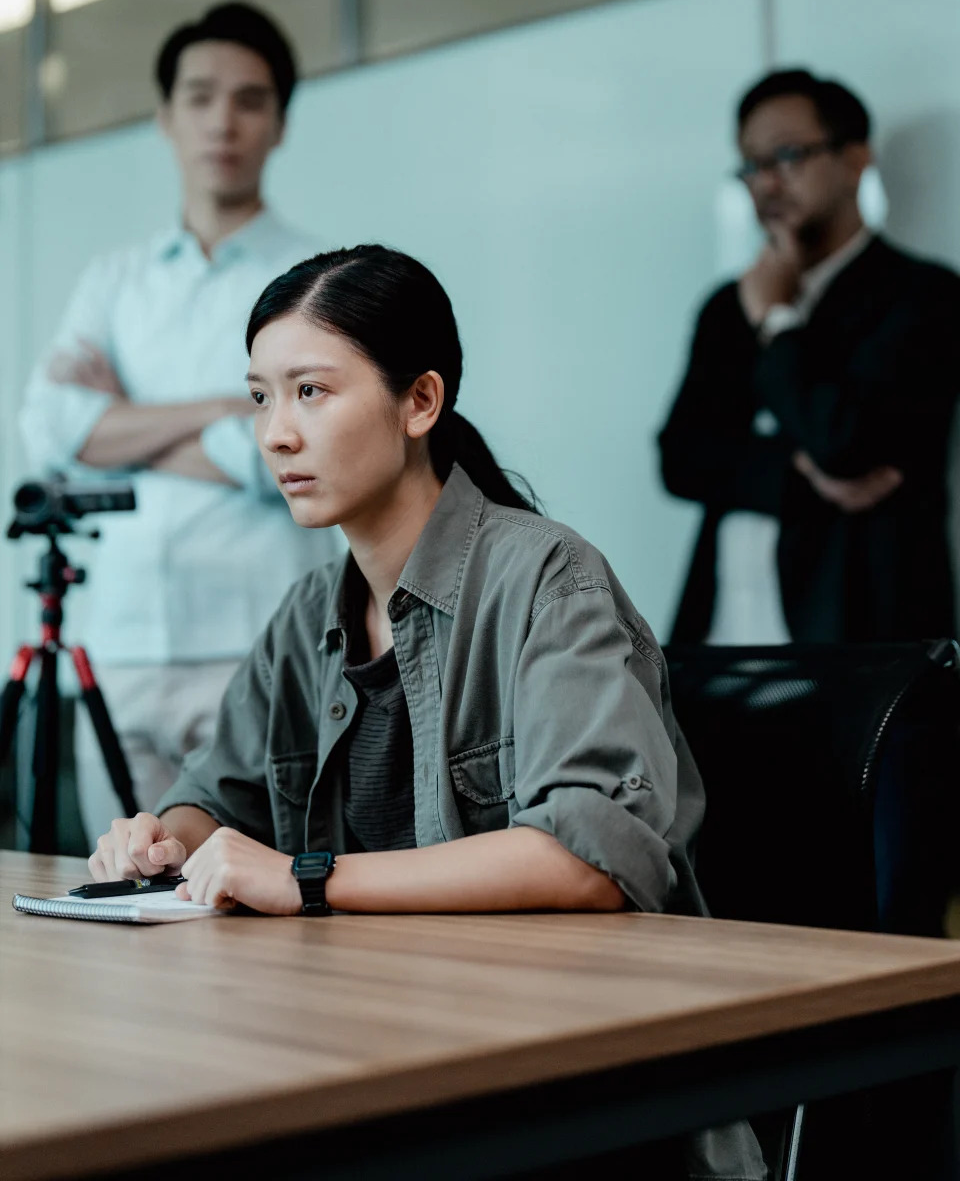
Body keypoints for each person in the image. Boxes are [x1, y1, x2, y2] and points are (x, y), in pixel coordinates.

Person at [89, 244, 765, 1181]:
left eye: (311, 392)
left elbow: (590, 855)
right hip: (376, 1054)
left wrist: (309, 877)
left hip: (570, 1094)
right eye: (259, 397)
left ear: (420, 402)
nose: (276, 434)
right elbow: (218, 795)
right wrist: (163, 838)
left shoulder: (547, 579)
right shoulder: (304, 620)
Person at [19, 0, 337, 844]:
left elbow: (314, 456)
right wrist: (221, 410)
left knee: (260, 906)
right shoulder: (115, 279)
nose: (222, 121)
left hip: (262, 642)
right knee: (126, 903)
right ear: (165, 118)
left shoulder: (321, 279)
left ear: (279, 122)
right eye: (199, 97)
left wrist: (123, 421)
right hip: (119, 642)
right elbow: (48, 429)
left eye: (249, 99)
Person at [659, 68, 960, 644]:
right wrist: (798, 471)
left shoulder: (924, 295)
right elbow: (681, 456)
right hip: (723, 647)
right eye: (751, 165)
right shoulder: (728, 307)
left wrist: (777, 321)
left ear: (854, 160)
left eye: (788, 156)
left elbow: (845, 443)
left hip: (862, 649)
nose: (767, 183)